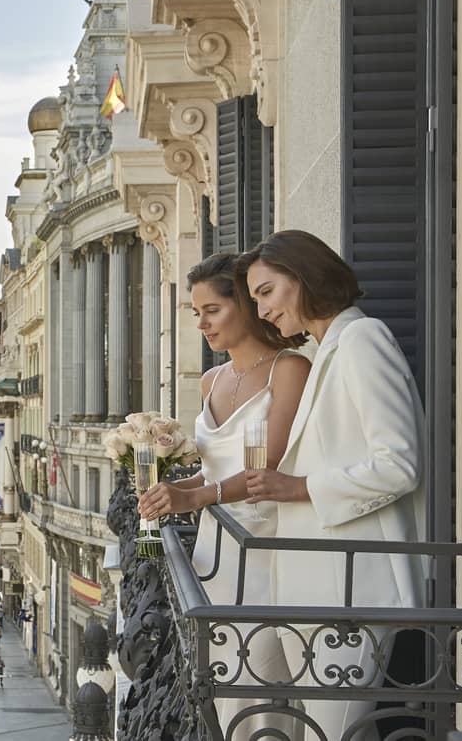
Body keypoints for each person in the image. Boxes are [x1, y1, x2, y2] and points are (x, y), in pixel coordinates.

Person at [236, 230, 427, 741]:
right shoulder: (329, 351)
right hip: (320, 595)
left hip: (352, 594)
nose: (261, 312)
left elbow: (400, 464)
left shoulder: (363, 341)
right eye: (255, 299)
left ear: (303, 276)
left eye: (266, 292)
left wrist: (296, 488)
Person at [139, 252, 310, 739]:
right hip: (214, 558)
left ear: (247, 306)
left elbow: (265, 468)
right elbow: (216, 470)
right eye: (196, 314)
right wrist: (173, 491)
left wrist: (196, 497)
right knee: (221, 693)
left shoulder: (288, 369)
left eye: (211, 310)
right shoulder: (212, 379)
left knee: (262, 694)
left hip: (265, 554)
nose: (202, 324)